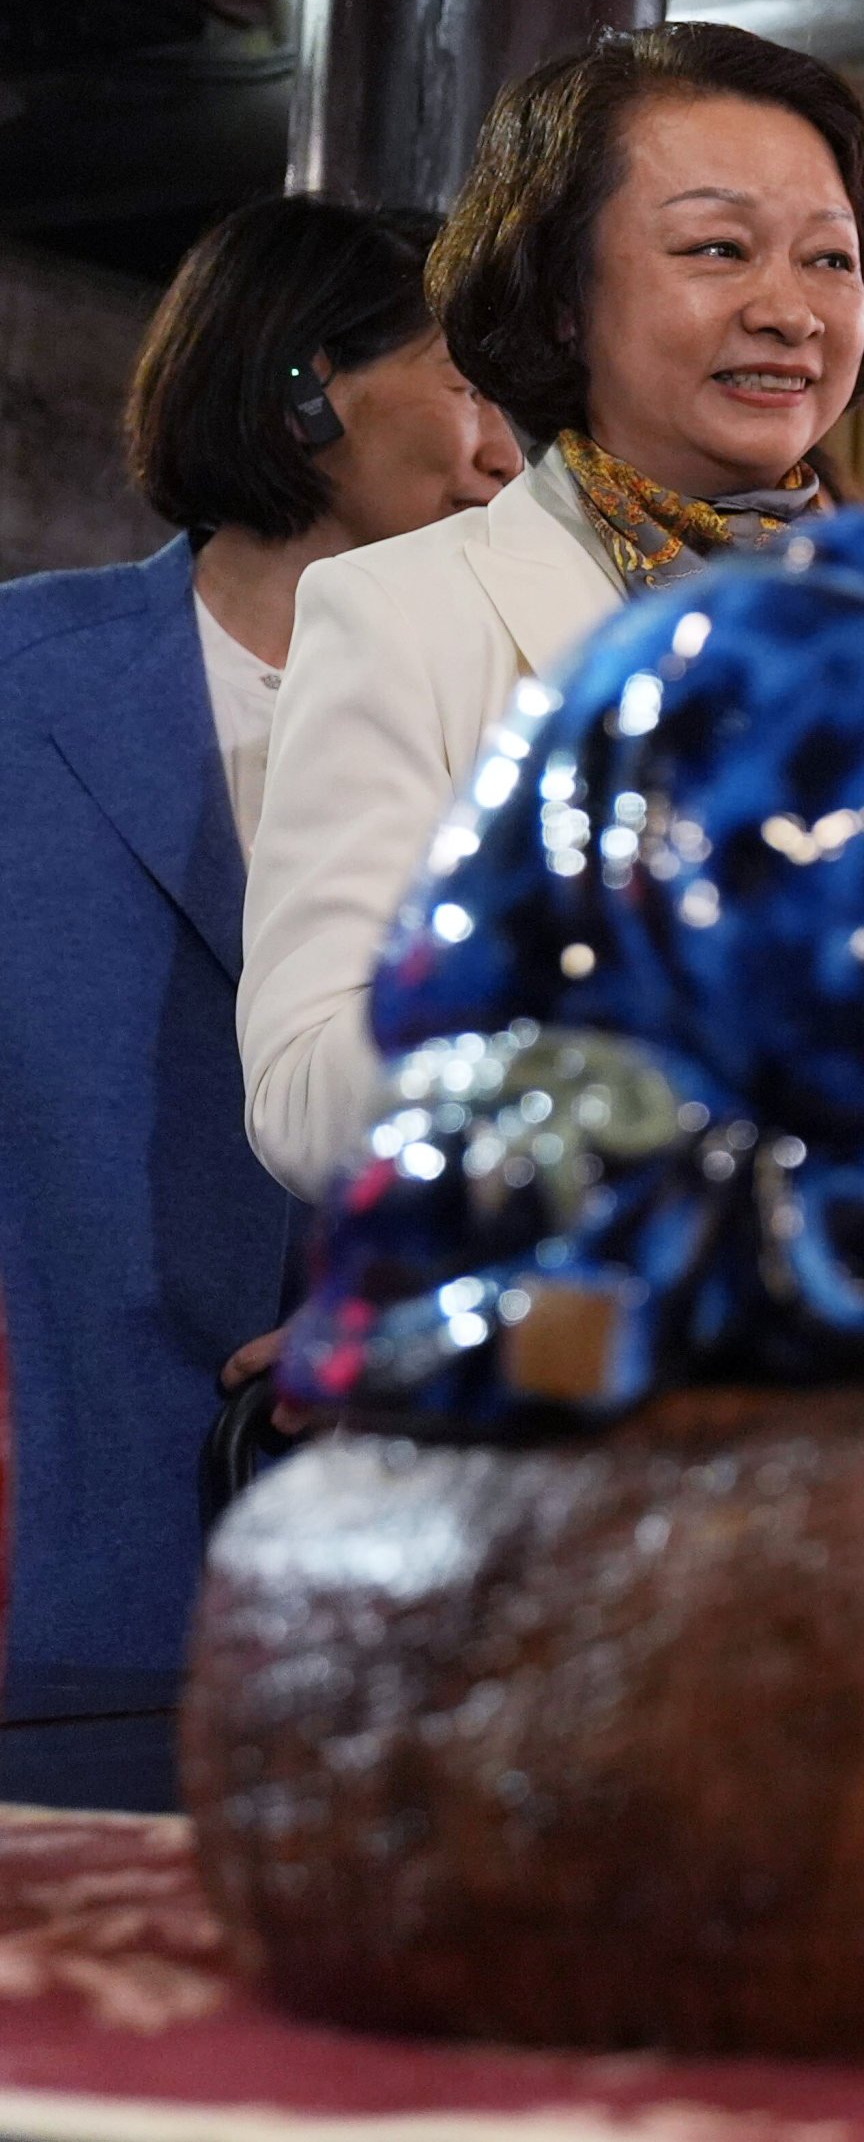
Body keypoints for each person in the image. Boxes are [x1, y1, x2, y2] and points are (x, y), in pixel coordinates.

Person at [241, 24, 864, 1204]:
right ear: (561, 300)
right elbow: (303, 1102)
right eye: (718, 248)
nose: (790, 312)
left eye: (830, 260)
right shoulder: (404, 612)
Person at [0, 196, 515, 1672]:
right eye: (473, 384)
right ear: (303, 389)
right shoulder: (21, 682)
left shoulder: (543, 738)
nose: (506, 452)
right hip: (61, 1556)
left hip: (408, 1579)